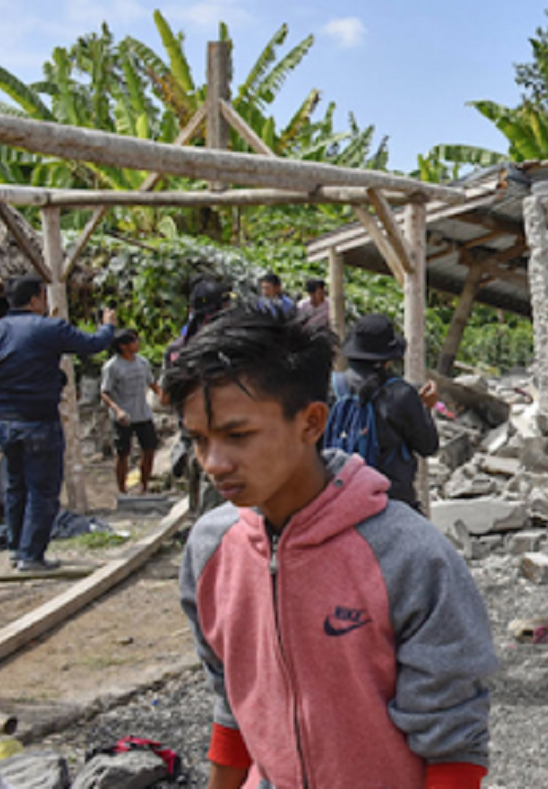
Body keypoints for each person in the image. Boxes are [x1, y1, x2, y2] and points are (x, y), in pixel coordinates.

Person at [165, 305, 495, 788]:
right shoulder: (211, 550)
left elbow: (454, 742)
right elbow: (234, 702)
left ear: (312, 422)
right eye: (198, 439)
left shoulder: (408, 555)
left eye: (238, 435)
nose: (213, 462)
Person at [0, 275, 116, 571]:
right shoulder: (48, 329)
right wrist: (108, 324)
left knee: (16, 487)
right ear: (37, 298)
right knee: (43, 490)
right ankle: (31, 555)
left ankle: (16, 548)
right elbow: (94, 344)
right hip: (39, 420)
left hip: (5, 422)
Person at [337, 313, 440, 508]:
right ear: (388, 359)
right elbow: (428, 446)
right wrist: (426, 407)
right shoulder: (401, 394)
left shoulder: (331, 389)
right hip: (390, 503)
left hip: (336, 500)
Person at [100, 329, 162, 495]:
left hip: (143, 413)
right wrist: (117, 410)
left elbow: (152, 383)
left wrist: (164, 396)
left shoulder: (142, 363)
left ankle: (144, 485)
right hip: (123, 417)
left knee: (149, 449)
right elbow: (105, 392)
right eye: (134, 341)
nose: (138, 344)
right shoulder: (112, 367)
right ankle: (122, 489)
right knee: (122, 453)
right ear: (123, 346)